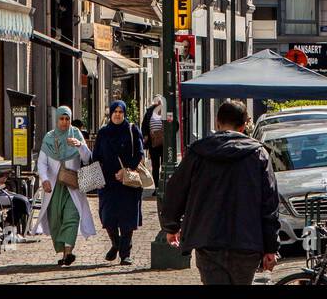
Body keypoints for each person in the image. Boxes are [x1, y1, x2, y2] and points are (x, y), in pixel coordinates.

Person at [160, 99, 280, 285]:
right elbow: (269, 204)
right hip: (246, 242)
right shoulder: (258, 155)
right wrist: (271, 247)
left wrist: (171, 226)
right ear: (243, 125)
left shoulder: (198, 153)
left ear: (217, 122)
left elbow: (176, 190)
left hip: (208, 239)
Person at [33, 106, 96, 266]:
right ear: (57, 119)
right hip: (53, 188)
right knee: (55, 221)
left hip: (72, 186)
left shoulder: (75, 134)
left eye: (67, 118)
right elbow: (41, 162)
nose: (64, 122)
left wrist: (79, 145)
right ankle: (62, 251)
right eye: (62, 118)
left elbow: (87, 157)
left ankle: (68, 252)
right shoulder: (49, 137)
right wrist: (45, 179)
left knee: (72, 217)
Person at [91, 100, 145, 265]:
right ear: (111, 113)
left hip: (128, 182)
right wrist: (97, 177)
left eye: (121, 112)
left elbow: (139, 153)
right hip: (108, 183)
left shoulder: (132, 130)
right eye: (115, 111)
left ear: (125, 113)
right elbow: (96, 156)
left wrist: (126, 170)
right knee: (107, 217)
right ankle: (116, 243)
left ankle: (125, 253)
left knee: (127, 218)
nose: (118, 114)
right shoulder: (104, 133)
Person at [140, 95, 164, 192]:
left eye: (159, 102)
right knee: (155, 165)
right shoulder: (149, 111)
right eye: (156, 102)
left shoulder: (166, 111)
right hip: (153, 143)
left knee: (164, 165)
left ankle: (164, 186)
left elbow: (174, 124)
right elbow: (144, 124)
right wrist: (145, 135)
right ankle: (157, 187)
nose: (157, 104)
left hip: (164, 144)